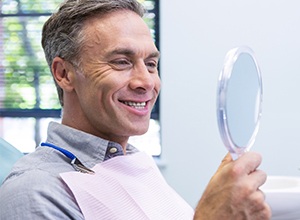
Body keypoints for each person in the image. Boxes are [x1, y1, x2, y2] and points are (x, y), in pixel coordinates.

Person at [0, 0, 271, 219]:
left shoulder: (134, 162)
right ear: (64, 74)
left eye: (151, 64)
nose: (146, 82)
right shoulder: (35, 191)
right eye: (121, 62)